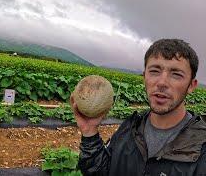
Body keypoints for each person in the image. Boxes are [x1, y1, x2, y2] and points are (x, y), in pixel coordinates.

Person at [70, 39, 206, 176]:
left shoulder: (202, 148)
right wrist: (89, 132)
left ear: (191, 86)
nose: (162, 82)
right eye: (154, 71)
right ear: (144, 77)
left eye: (176, 74)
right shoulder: (130, 127)